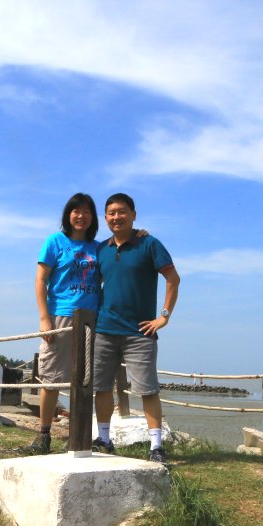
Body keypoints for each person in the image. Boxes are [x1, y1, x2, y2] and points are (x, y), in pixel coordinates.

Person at [92, 193, 179, 464]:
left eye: (122, 212)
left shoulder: (149, 244)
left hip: (140, 332)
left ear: (133, 214)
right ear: (105, 218)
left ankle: (156, 446)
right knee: (101, 388)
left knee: (148, 390)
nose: (116, 217)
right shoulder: (101, 249)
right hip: (104, 329)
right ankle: (104, 439)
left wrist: (163, 316)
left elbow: (173, 279)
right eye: (111, 213)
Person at [30, 193, 101, 454]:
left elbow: (122, 245)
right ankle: (44, 433)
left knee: (84, 380)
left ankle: (80, 436)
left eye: (86, 211)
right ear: (68, 214)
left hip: (92, 318)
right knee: (50, 378)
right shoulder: (54, 241)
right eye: (75, 211)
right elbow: (40, 280)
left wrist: (138, 233)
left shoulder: (98, 247)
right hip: (60, 315)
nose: (80, 216)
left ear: (93, 217)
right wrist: (44, 316)